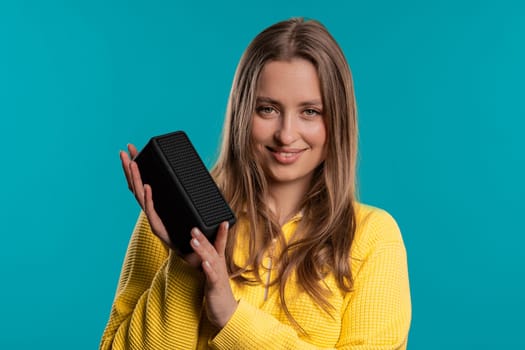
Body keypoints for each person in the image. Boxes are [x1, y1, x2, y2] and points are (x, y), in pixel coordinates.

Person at [100, 17, 411, 349]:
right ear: (242, 114)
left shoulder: (372, 237)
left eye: (310, 112)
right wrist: (185, 268)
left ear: (338, 120)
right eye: (267, 109)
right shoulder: (170, 218)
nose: (286, 134)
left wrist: (231, 318)